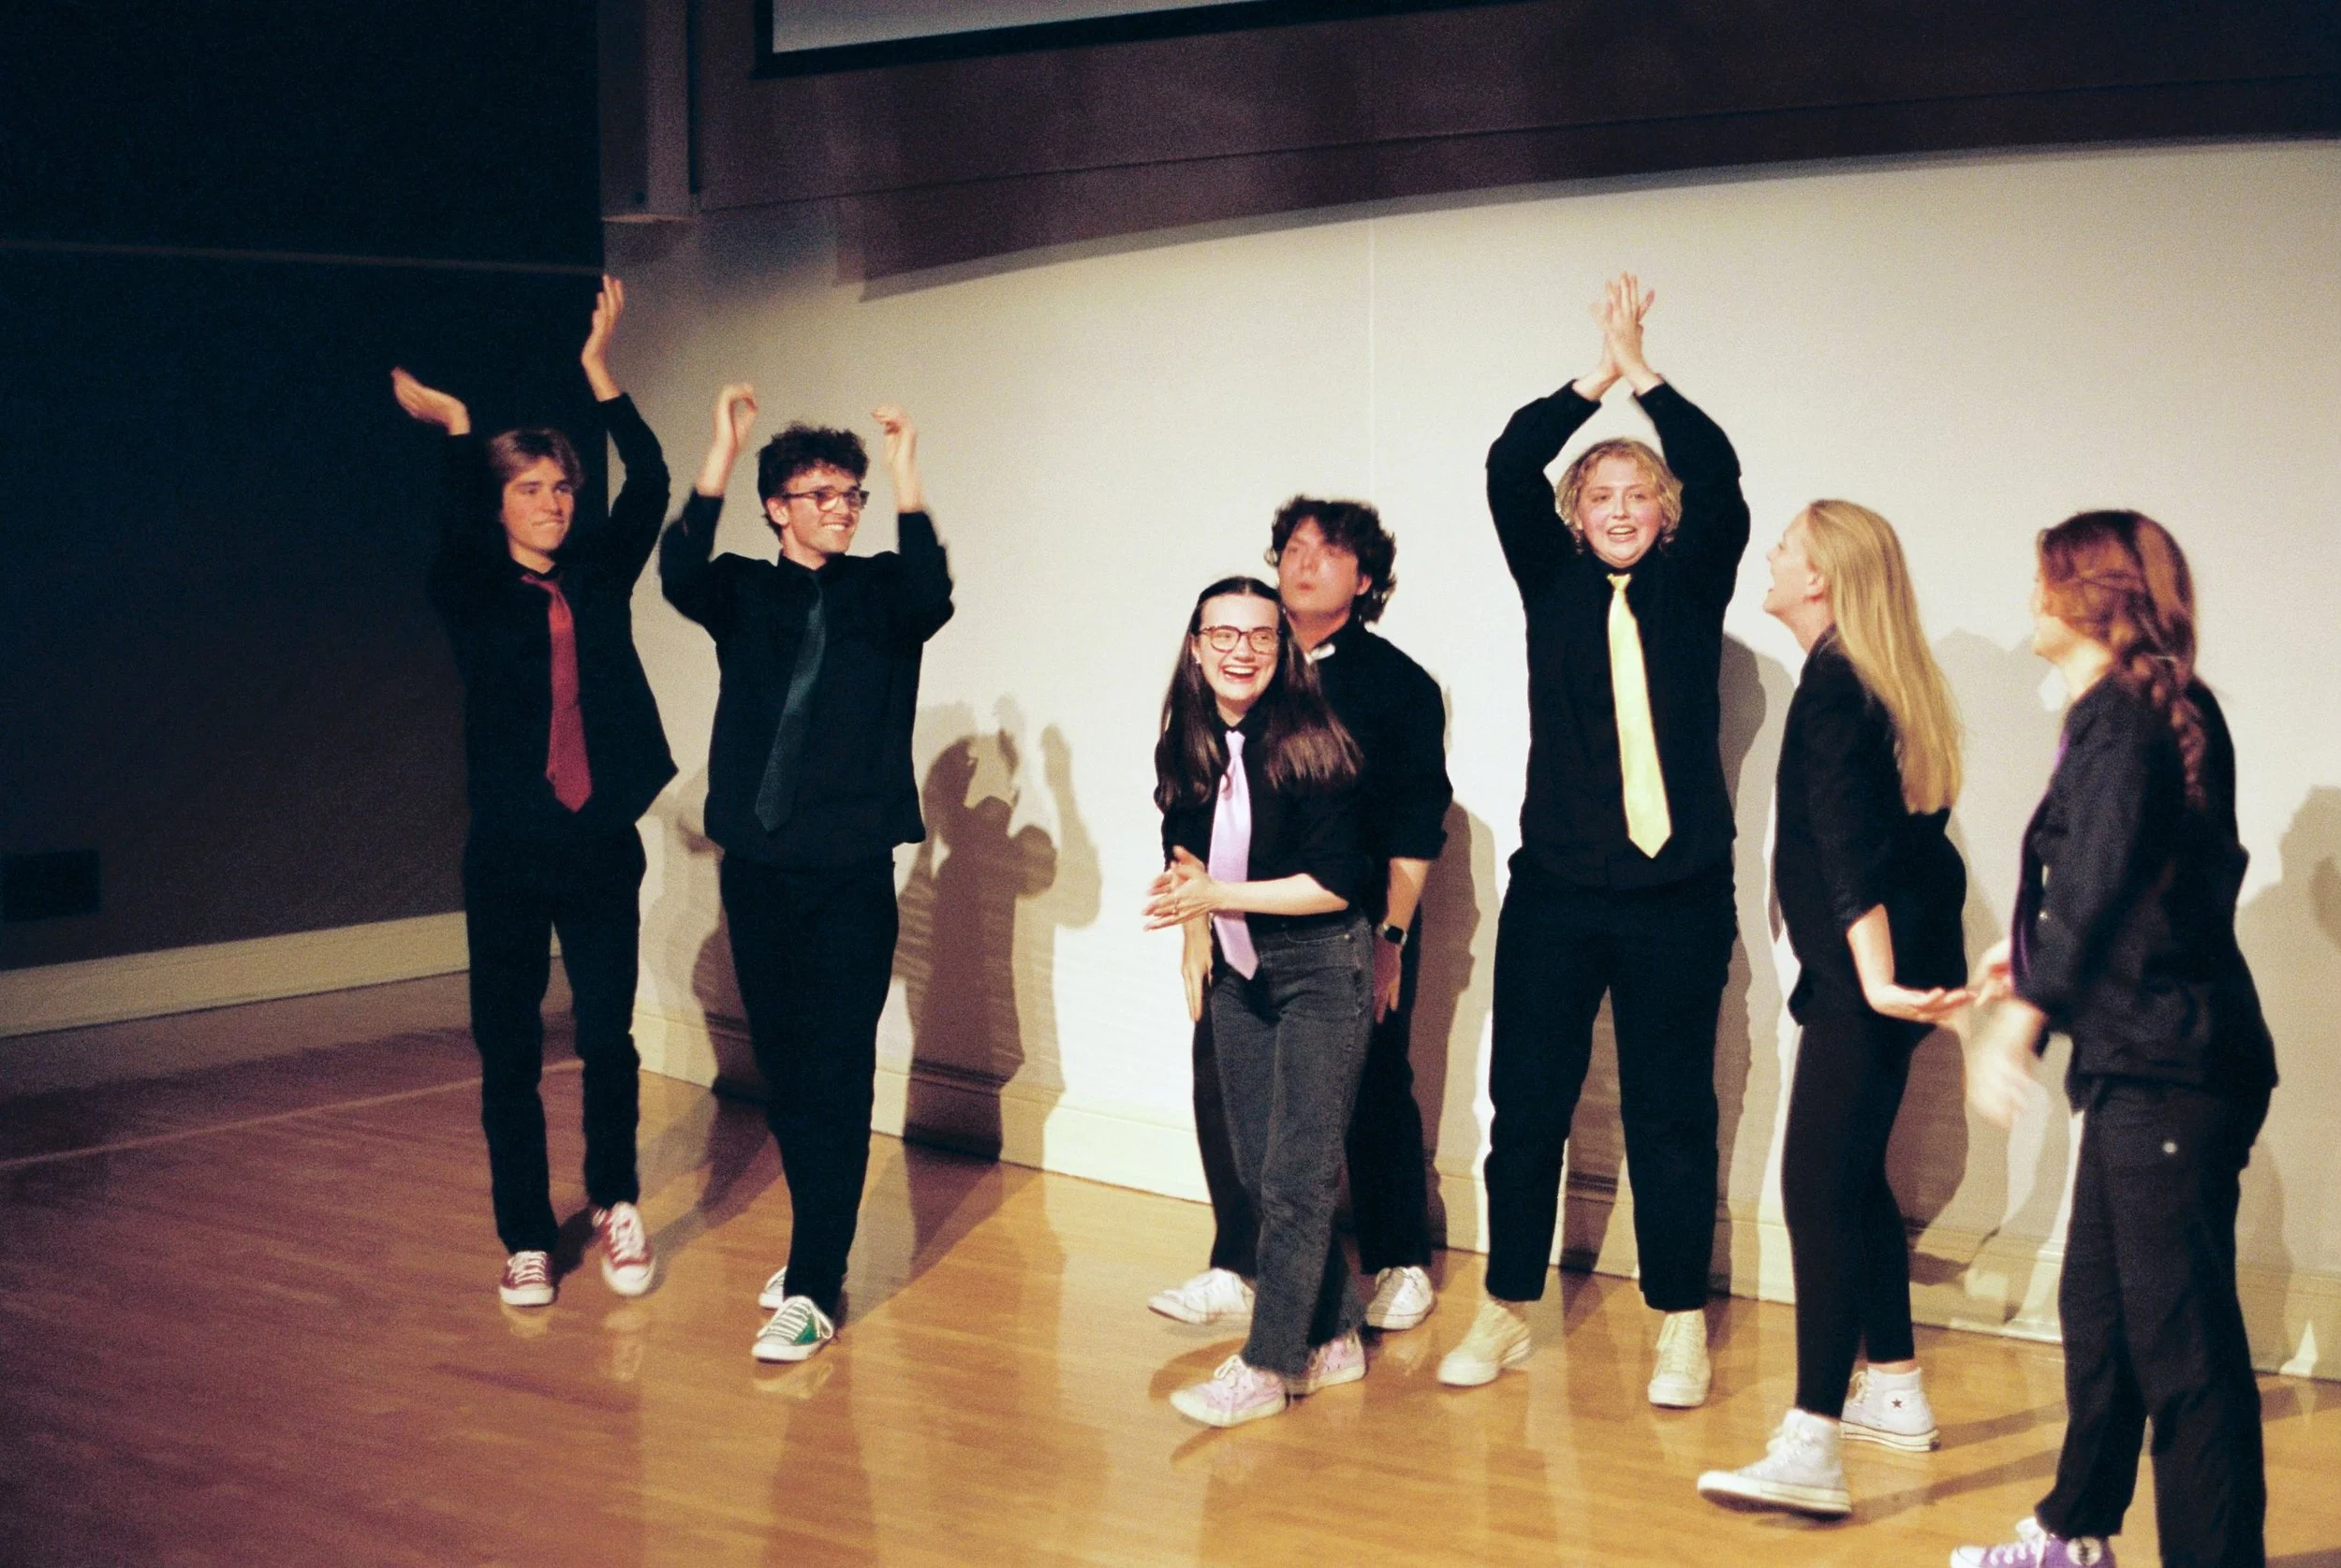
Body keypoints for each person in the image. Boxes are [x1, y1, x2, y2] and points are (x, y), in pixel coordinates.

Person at [1441, 274, 1749, 1406]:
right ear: (1574, 515)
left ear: (1665, 512)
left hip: (1679, 895)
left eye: (1639, 494)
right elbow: (1504, 466)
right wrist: (1594, 381)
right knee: (1527, 1107)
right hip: (1558, 895)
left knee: (1671, 1113)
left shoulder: (1694, 585)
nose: (1620, 509)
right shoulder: (1550, 581)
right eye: (1600, 494)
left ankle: (1677, 1321)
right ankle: (1506, 1305)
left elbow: (1719, 472)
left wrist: (1647, 376)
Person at [1953, 511, 2277, 1568]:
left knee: (2183, 1347)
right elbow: (2146, 884)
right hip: (2150, 1059)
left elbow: (2093, 878)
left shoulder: (2126, 719)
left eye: (2044, 576)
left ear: (2089, 595)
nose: (2030, 595)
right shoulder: (2147, 709)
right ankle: (2074, 1532)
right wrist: (2029, 961)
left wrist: (2023, 1019)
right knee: (2100, 1312)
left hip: (2171, 1068)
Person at [390, 276, 672, 1308]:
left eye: (561, 487)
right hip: (509, 851)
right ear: (499, 501)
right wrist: (461, 430)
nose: (553, 503)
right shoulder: (469, 591)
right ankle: (524, 1235)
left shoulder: (597, 574)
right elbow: (456, 519)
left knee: (607, 1037)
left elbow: (650, 480)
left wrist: (601, 374)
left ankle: (616, 1202)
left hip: (598, 843)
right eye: (531, 488)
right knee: (508, 1048)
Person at [660, 387, 952, 1365]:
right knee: (785, 1072)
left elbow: (933, 590)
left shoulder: (883, 595)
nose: (841, 509)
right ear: (776, 507)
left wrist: (904, 472)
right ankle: (810, 1250)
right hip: (759, 867)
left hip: (850, 871)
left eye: (850, 495)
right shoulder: (744, 591)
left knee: (835, 1069)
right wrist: (720, 449)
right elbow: (678, 571)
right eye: (820, 494)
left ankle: (816, 1284)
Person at [1694, 500, 1967, 1517]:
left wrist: (1876, 979)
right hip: (1873, 976)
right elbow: (1907, 847)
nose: (1770, 556)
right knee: (1850, 1180)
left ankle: (1811, 1440)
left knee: (1814, 1185)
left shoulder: (1838, 687)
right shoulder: (1866, 678)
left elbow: (1853, 853)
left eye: (1787, 548)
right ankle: (1891, 1385)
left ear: (1820, 578)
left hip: (1866, 980)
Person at [1151, 499, 1453, 1335]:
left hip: (1351, 920)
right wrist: (1195, 929)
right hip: (1235, 920)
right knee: (1227, 1085)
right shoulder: (1240, 670)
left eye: (1329, 550)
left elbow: (1415, 822)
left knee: (1373, 1081)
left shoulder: (1397, 684)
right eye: (1292, 547)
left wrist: (1391, 938)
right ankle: (1240, 1262)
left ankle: (1398, 1257)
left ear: (1366, 577)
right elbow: (1189, 806)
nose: (1305, 562)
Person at [1145, 577, 1374, 1426]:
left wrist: (1218, 898)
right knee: (1257, 1170)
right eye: (1224, 634)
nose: (1241, 651)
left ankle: (1269, 1365)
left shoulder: (1317, 741)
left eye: (1260, 635)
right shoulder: (1188, 739)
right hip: (1240, 972)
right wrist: (1192, 922)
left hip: (1320, 967)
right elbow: (1184, 843)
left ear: (1283, 650)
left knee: (1297, 1178)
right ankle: (1338, 1331)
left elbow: (1335, 884)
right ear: (1197, 646)